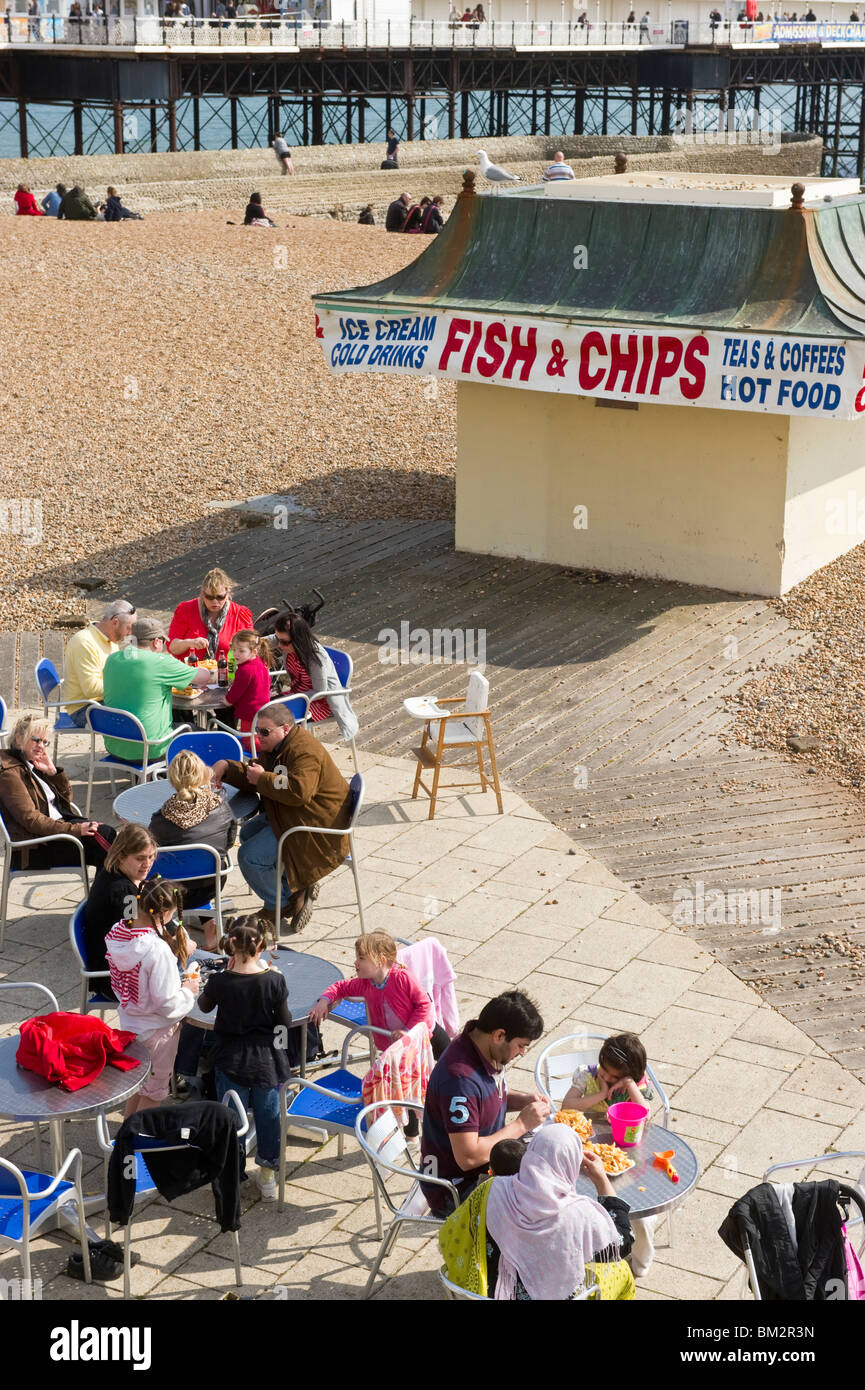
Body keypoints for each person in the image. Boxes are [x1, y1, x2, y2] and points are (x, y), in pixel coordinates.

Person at [439, 1125, 635, 1300]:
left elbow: (455, 1226)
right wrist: (602, 1180)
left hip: (488, 1293)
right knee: (622, 1272)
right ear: (572, 1165)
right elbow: (622, 1243)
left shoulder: (491, 1188)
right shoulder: (579, 1214)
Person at [210, 701, 352, 935]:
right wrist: (227, 767)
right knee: (247, 833)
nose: (259, 736)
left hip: (315, 826)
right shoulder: (277, 748)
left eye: (265, 732)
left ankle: (281, 903)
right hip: (295, 814)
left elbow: (299, 791)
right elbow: (255, 774)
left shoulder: (303, 751)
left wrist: (263, 778)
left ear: (285, 728)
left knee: (249, 857)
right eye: (257, 731)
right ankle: (294, 887)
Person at [420, 991, 550, 1215]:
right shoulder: (459, 1080)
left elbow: (483, 1101)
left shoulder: (481, 1048)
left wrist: (522, 1101)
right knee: (544, 1206)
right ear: (499, 1035)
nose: (522, 1053)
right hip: (457, 1189)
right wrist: (521, 1124)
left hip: (486, 1166)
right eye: (521, 1045)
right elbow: (468, 1156)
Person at [309, 929, 450, 1134]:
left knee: (451, 1067)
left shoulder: (402, 978)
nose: (356, 963)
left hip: (427, 1035)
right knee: (403, 1087)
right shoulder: (365, 984)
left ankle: (454, 1102)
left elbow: (424, 1006)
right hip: (396, 1047)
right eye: (357, 957)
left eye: (361, 958)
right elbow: (340, 987)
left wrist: (408, 1030)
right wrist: (324, 1001)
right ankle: (411, 1137)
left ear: (381, 960)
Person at [197, 914, 293, 1199]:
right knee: (268, 1116)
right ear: (261, 947)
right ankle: (267, 1175)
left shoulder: (220, 982)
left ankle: (233, 1172)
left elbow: (203, 1006)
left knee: (232, 1117)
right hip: (267, 1061)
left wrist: (220, 976)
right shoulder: (274, 981)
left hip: (230, 1059)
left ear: (231, 948)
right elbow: (284, 1023)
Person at [105, 878, 199, 1115]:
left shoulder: (118, 931)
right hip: (157, 1032)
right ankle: (138, 1142)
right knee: (154, 1092)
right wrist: (189, 990)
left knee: (138, 1085)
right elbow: (167, 1004)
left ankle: (127, 1133)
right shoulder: (157, 951)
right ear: (165, 913)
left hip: (130, 1023)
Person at [0, 714, 115, 871]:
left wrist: (53, 773)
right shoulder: (10, 772)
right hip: (35, 848)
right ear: (19, 738)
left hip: (54, 833)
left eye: (45, 742)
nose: (41, 746)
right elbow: (31, 819)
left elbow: (66, 802)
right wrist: (75, 830)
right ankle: (109, 894)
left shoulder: (31, 763)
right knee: (109, 844)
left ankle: (107, 893)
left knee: (109, 842)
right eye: (36, 739)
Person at [101, 616, 210, 762]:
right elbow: (204, 676)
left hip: (115, 745)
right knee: (204, 735)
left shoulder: (112, 659)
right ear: (157, 641)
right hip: (151, 748)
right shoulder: (161, 662)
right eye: (163, 642)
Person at [149, 750, 237, 908]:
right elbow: (228, 842)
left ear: (172, 780)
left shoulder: (159, 820)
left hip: (170, 892)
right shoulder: (221, 807)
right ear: (203, 775)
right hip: (210, 886)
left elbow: (152, 850)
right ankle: (209, 921)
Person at [269, 609, 358, 743]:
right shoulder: (289, 644)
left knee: (274, 720)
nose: (279, 646)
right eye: (278, 640)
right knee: (264, 707)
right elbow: (266, 641)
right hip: (298, 694)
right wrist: (248, 642)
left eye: (284, 642)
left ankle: (289, 755)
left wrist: (290, 698)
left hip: (318, 701)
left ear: (298, 640)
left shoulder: (315, 657)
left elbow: (320, 692)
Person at [84, 823, 157, 982]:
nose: (147, 864)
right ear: (121, 856)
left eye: (151, 856)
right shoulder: (124, 892)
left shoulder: (113, 872)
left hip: (118, 964)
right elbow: (137, 935)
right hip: (116, 977)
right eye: (140, 858)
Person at [63, 598, 136, 727]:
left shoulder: (110, 639)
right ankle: (124, 746)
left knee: (145, 701)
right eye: (128, 628)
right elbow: (91, 690)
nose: (130, 634)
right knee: (138, 711)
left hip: (100, 702)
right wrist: (126, 685)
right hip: (83, 710)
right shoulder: (85, 643)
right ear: (115, 622)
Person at [167, 567, 253, 661]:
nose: (215, 601)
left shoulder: (239, 615)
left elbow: (250, 651)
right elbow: (172, 648)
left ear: (228, 593)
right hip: (191, 672)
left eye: (220, 597)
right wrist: (190, 642)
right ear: (202, 594)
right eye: (209, 597)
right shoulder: (186, 609)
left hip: (226, 672)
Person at [559, 1031, 653, 1114]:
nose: (607, 1078)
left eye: (615, 1077)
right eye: (604, 1069)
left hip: (626, 1133)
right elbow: (566, 1106)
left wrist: (629, 1084)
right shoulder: (587, 1075)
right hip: (589, 1131)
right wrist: (601, 1094)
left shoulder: (635, 1085)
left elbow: (645, 1116)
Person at [225, 629, 271, 741]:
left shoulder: (245, 670)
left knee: (249, 740)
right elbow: (268, 680)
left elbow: (236, 691)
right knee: (258, 734)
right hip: (263, 708)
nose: (236, 654)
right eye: (234, 649)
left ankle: (260, 751)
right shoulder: (259, 662)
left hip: (249, 711)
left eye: (241, 651)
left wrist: (228, 701)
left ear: (253, 652)